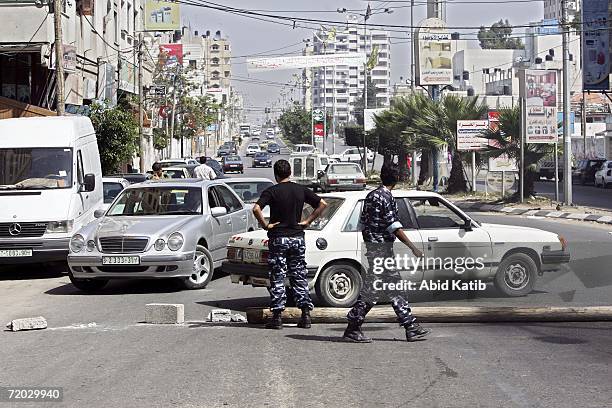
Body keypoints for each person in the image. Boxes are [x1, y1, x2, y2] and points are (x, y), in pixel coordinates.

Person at [343, 164, 430, 343]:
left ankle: (410, 326)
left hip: (376, 250)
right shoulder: (386, 197)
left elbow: (363, 224)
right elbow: (394, 227)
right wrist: (413, 248)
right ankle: (353, 326)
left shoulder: (371, 196)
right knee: (374, 291)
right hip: (381, 252)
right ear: (396, 179)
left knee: (393, 288)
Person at [253, 159, 327, 330]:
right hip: (297, 237)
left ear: (276, 174)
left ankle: (277, 317)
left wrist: (265, 225)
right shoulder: (300, 190)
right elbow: (322, 204)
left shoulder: (272, 191)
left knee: (278, 275)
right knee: (299, 275)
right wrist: (307, 221)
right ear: (290, 173)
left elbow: (256, 208)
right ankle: (305, 315)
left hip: (278, 237)